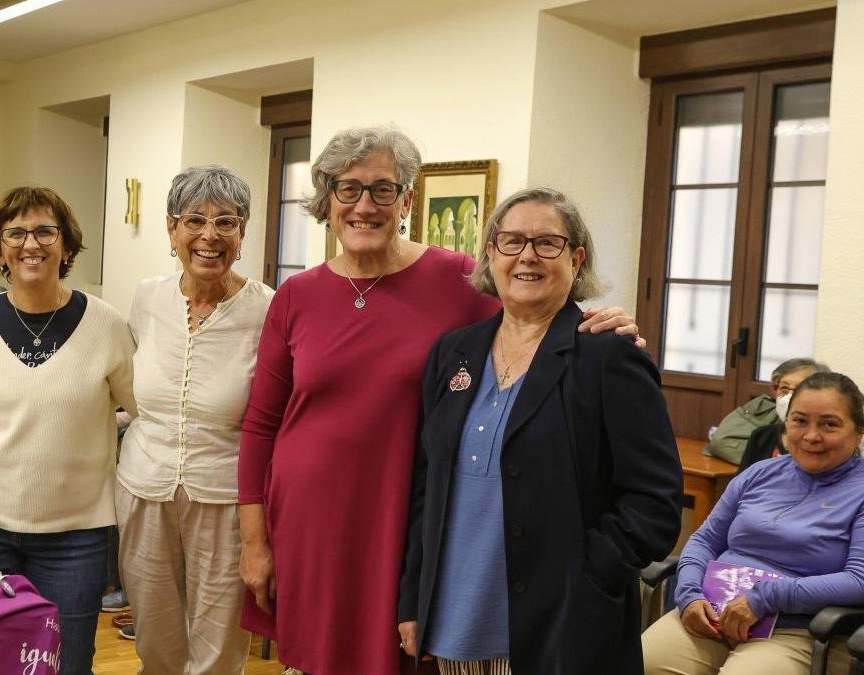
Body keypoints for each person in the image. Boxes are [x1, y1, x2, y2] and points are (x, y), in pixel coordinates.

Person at [236, 126, 642, 674]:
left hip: (405, 516)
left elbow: (536, 316)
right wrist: (254, 543)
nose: (364, 205)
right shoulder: (296, 295)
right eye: (347, 189)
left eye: (383, 189)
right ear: (327, 200)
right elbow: (261, 426)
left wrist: (604, 319)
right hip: (309, 524)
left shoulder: (458, 281)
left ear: (407, 199)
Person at [397, 187, 682, 674]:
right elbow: (428, 488)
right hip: (456, 619)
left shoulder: (608, 355)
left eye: (547, 243)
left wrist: (588, 573)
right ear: (491, 254)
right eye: (511, 242)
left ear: (575, 258)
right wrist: (413, 599)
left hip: (564, 626)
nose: (527, 256)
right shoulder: (454, 353)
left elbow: (655, 503)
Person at [0, 186, 136, 675]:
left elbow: (140, 410)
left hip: (74, 537)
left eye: (46, 231)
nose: (32, 244)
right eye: (16, 233)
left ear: (66, 246)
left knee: (66, 666)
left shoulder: (106, 324)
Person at [114, 165, 274, 673]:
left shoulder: (268, 309)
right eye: (195, 221)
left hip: (226, 500)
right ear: (171, 229)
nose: (209, 235)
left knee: (219, 649)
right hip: (143, 490)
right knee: (155, 642)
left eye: (226, 222)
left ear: (242, 233)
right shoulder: (146, 298)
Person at [643, 372, 864, 675]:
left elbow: (861, 579)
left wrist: (765, 597)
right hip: (712, 612)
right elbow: (705, 540)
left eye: (829, 424)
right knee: (642, 662)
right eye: (799, 421)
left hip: (796, 629)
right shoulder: (760, 473)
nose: (811, 436)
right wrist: (690, 594)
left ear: (859, 432)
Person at [738, 358, 828, 472]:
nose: (788, 397)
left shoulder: (818, 441)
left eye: (798, 390)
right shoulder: (761, 436)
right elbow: (741, 483)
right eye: (784, 389)